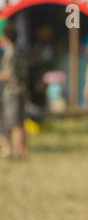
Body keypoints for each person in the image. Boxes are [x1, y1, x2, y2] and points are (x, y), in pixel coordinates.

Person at [0, 23, 28, 159]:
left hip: (12, 91)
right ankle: (23, 152)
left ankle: (18, 153)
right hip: (21, 89)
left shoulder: (10, 51)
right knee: (21, 123)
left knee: (15, 124)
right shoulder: (19, 49)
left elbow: (10, 74)